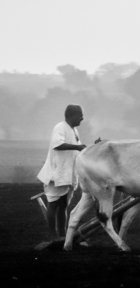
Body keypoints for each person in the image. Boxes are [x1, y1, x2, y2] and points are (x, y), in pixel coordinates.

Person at [36, 104, 87, 245]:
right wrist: (78, 147)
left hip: (67, 174)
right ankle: (53, 235)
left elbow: (78, 150)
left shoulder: (74, 130)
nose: (82, 118)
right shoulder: (60, 127)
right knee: (53, 204)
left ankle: (63, 234)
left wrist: (89, 147)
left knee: (63, 205)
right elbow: (57, 145)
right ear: (71, 115)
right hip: (56, 173)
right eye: (80, 115)